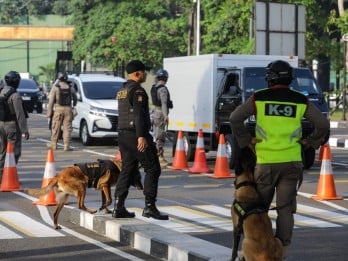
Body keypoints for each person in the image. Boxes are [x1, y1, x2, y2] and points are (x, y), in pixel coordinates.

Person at [229, 60, 330, 259]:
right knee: (285, 209)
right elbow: (323, 124)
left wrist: (245, 140)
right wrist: (310, 142)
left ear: (269, 78)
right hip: (292, 162)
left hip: (265, 162)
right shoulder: (300, 100)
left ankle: (257, 252)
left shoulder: (259, 98)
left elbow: (234, 118)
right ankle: (280, 251)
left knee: (259, 210)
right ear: (289, 78)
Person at [112, 60, 168, 220]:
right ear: (137, 73)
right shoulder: (138, 91)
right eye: (143, 72)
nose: (145, 74)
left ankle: (118, 206)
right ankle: (150, 207)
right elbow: (138, 115)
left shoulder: (122, 90)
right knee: (153, 168)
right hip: (136, 135)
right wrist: (141, 136)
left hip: (123, 136)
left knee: (127, 169)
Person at [0, 71, 30, 181]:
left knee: (3, 151)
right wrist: (25, 130)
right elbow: (20, 115)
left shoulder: (1, 91)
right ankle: (9, 178)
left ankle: (1, 175)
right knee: (14, 152)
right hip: (12, 127)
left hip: (1, 125)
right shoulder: (15, 95)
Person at [47, 72, 77, 151]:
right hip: (68, 109)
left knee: (56, 127)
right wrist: (74, 106)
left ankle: (54, 144)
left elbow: (51, 101)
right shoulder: (71, 87)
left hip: (58, 109)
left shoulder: (55, 88)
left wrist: (49, 112)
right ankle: (66, 145)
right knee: (67, 128)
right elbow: (75, 99)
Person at [151, 69, 173, 168]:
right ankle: (159, 158)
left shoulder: (155, 87)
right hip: (160, 114)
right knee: (160, 136)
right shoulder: (163, 89)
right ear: (165, 78)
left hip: (155, 112)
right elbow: (164, 103)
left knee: (156, 135)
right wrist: (166, 115)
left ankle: (156, 156)